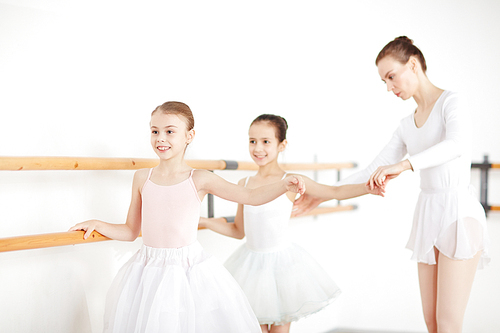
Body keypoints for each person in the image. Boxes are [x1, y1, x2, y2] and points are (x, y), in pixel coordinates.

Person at [293, 37, 490, 333]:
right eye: (384, 81)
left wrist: (406, 164)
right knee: (432, 322)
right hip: (429, 213)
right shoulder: (406, 125)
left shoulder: (452, 102)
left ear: (413, 64)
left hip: (458, 213)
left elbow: (457, 144)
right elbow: (372, 171)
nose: (388, 87)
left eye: (391, 76)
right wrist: (324, 194)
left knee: (449, 324)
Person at [69, 102, 306, 333]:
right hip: (147, 271)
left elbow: (250, 196)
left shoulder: (199, 178)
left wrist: (283, 185)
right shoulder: (142, 178)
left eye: (170, 131)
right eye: (155, 131)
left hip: (187, 271)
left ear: (189, 136)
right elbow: (131, 231)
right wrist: (98, 224)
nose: (160, 138)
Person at [199, 114, 386, 333]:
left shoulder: (292, 181)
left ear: (282, 145)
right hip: (251, 270)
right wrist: (204, 221)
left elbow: (334, 191)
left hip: (282, 268)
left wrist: (367, 188)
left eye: (266, 141)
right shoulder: (244, 183)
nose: (257, 148)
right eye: (252, 141)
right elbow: (238, 230)